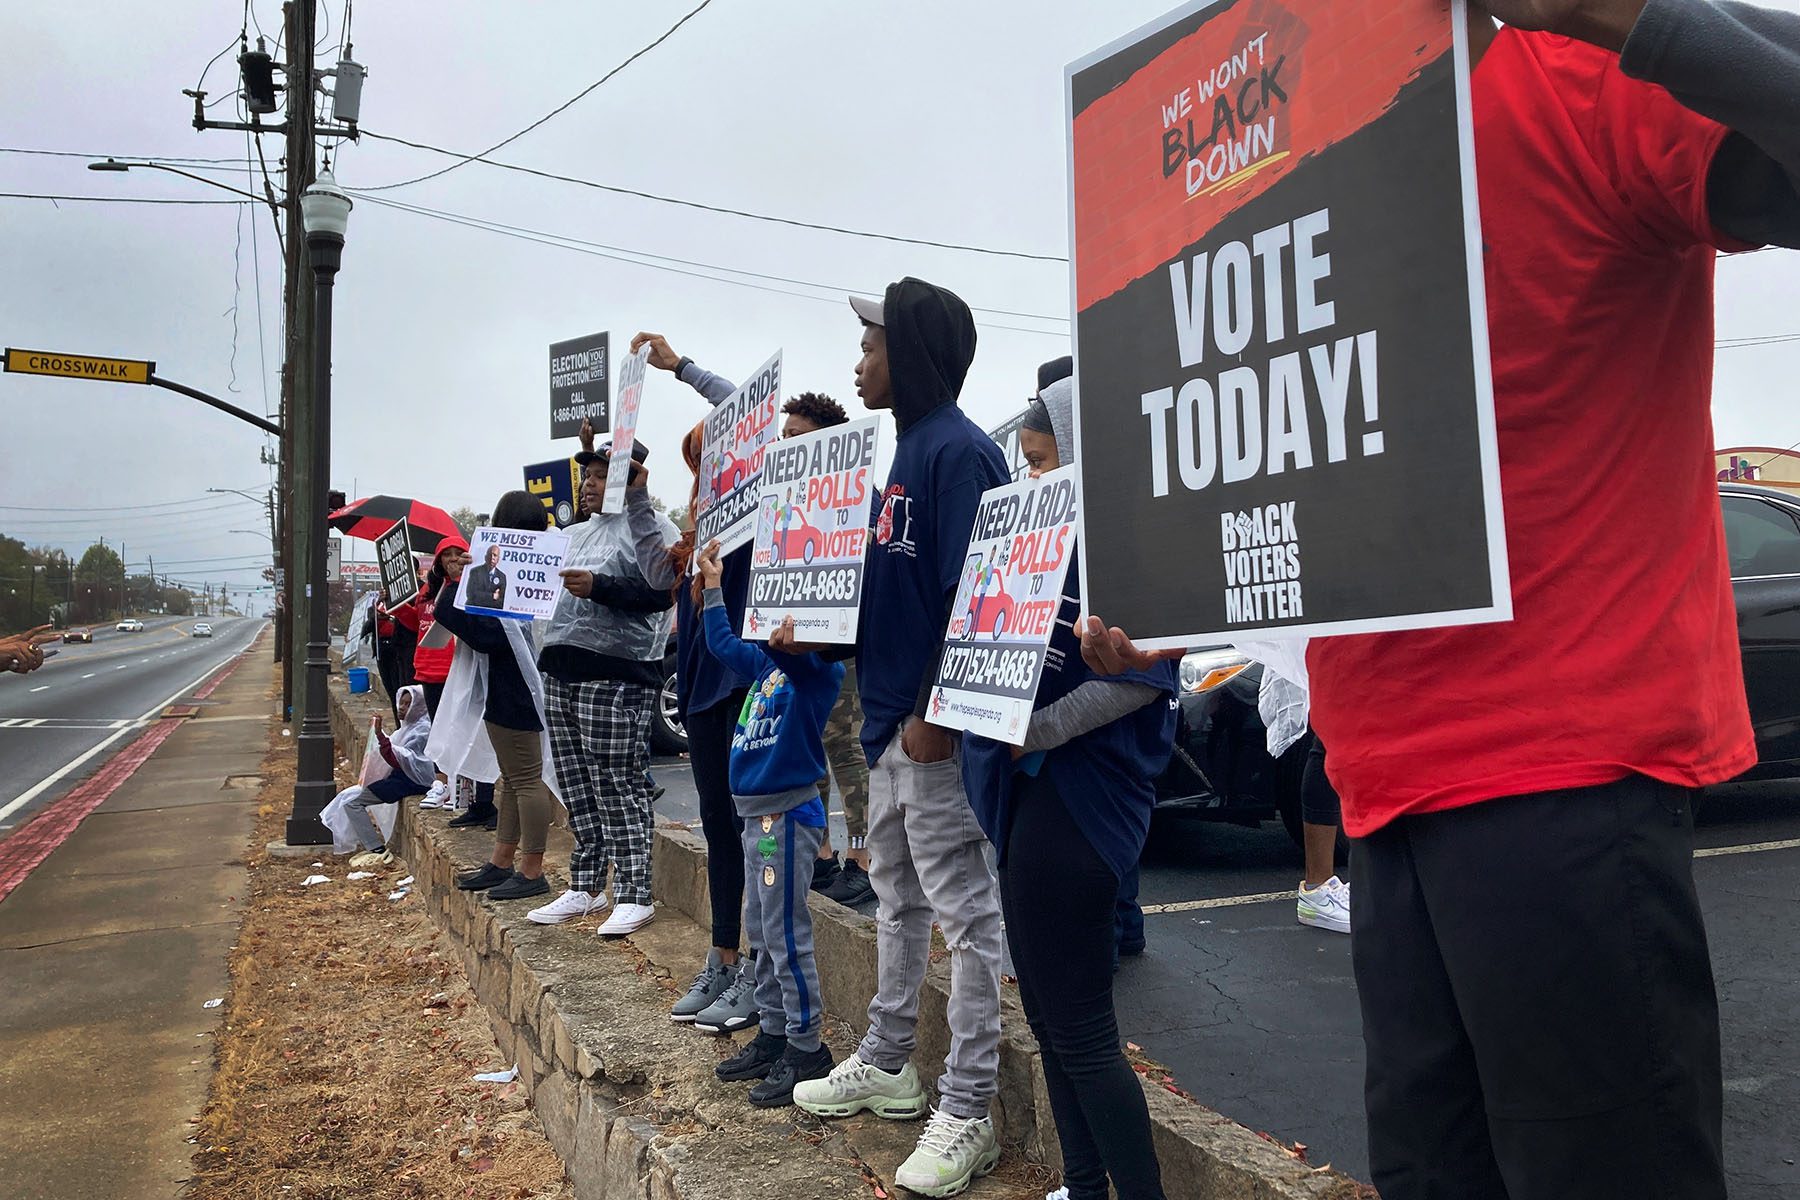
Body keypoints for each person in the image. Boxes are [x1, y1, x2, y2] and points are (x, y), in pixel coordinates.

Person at [1081, 3, 1800, 1197]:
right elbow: (1311, 465)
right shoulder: (1283, 143)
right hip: (1386, 797)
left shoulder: (1569, 64)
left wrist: (1625, 16)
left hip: (1563, 780)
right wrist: (1179, 589)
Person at [786, 279, 1010, 1196]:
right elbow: (894, 602)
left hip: (930, 736)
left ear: (909, 351)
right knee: (897, 902)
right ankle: (887, 1060)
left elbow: (982, 597)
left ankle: (968, 1108)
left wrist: (934, 714)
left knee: (967, 918)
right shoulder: (904, 454)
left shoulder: (961, 455)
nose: (856, 362)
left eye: (870, 346)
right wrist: (815, 627)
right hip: (886, 727)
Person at [968, 370, 1176, 1200]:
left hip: (1080, 806)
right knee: (1049, 1022)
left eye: (1046, 461)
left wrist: (1031, 733)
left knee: (1083, 1028)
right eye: (1027, 464)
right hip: (1030, 797)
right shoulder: (1037, 535)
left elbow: (1140, 681)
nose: (1034, 481)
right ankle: (1085, 1185)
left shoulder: (1132, 541)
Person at [631, 332, 760, 1028]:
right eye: (697, 461)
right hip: (704, 694)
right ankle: (724, 959)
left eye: (714, 455)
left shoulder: (758, 515)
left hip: (746, 686)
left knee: (758, 832)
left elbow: (742, 407)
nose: (706, 467)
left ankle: (760, 975)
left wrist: (681, 368)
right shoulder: (696, 534)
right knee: (717, 827)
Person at [690, 539, 843, 1105]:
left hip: (786, 817)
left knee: (785, 934)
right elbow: (724, 643)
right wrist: (712, 588)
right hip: (757, 819)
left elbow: (792, 654)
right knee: (761, 929)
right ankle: (775, 1033)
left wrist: (790, 637)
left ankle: (807, 1046)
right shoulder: (767, 667)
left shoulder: (816, 672)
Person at [526, 438, 680, 938]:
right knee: (577, 786)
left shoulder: (654, 529)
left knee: (619, 783)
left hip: (615, 674)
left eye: (598, 476)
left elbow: (660, 592)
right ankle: (587, 883)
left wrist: (600, 587)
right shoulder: (575, 534)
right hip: (562, 673)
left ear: (625, 478)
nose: (587, 485)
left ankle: (635, 892)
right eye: (586, 476)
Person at [429, 491, 559, 903]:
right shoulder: (524, 568)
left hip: (517, 686)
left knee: (525, 780)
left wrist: (454, 585)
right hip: (508, 686)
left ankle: (531, 869)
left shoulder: (511, 575)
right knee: (513, 781)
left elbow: (483, 633)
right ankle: (503, 861)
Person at [771, 388, 875, 905]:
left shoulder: (855, 493)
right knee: (811, 744)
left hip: (842, 643)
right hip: (796, 643)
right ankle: (823, 854)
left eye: (797, 437)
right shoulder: (782, 502)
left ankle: (862, 857)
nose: (786, 444)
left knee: (845, 744)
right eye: (783, 436)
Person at [331, 684, 435, 865]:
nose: (402, 708)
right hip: (403, 778)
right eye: (401, 703)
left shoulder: (422, 730)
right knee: (351, 797)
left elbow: (401, 760)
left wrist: (380, 735)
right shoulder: (408, 727)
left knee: (354, 803)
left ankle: (376, 848)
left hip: (412, 782)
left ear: (419, 706)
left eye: (408, 704)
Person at [412, 536, 466, 811]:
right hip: (428, 667)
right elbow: (416, 622)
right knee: (437, 730)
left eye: (459, 553)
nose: (454, 559)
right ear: (438, 561)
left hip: (455, 667)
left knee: (459, 729)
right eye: (448, 555)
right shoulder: (428, 590)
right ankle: (440, 783)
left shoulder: (467, 587)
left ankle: (459, 785)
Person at [465, 544, 509, 609]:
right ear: (485, 557)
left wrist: (482, 597)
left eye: (495, 555)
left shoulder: (502, 577)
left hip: (491, 615)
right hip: (473, 612)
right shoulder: (475, 572)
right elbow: (471, 594)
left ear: (498, 559)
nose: (492, 558)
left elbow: (501, 601)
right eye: (490, 555)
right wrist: (492, 596)